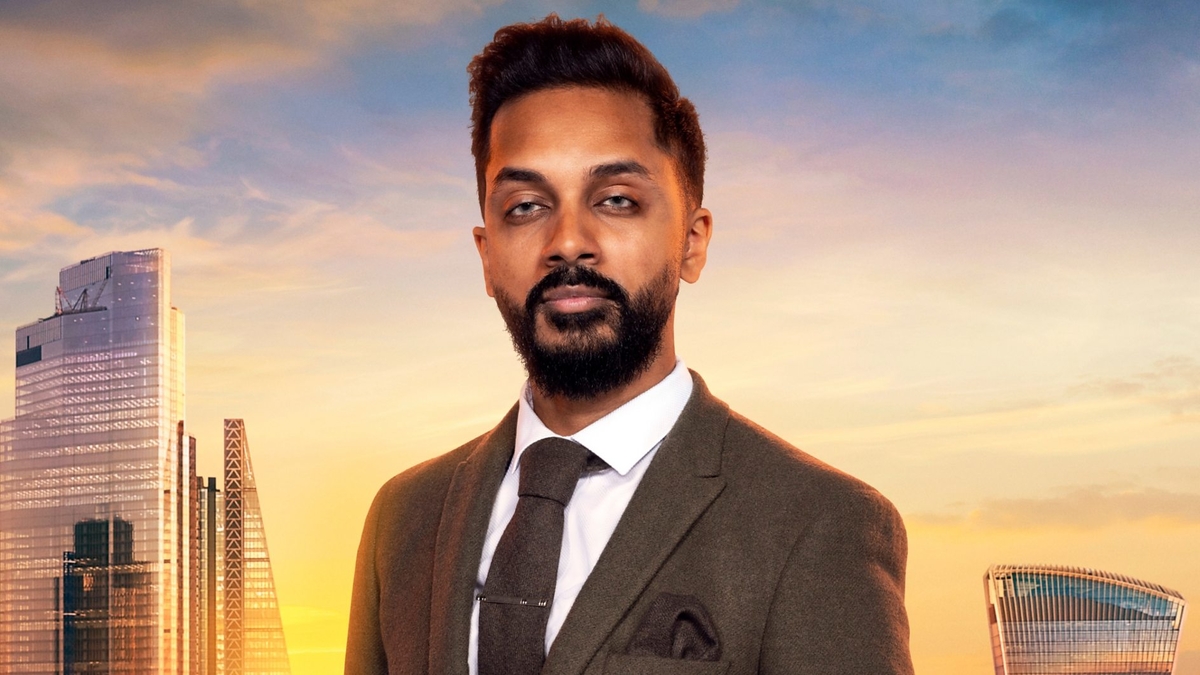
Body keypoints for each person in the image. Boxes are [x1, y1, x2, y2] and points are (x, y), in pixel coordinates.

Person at [345, 15, 913, 675]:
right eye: (525, 206)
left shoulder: (818, 522)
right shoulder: (404, 516)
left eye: (615, 199)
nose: (567, 240)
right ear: (486, 255)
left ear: (692, 242)